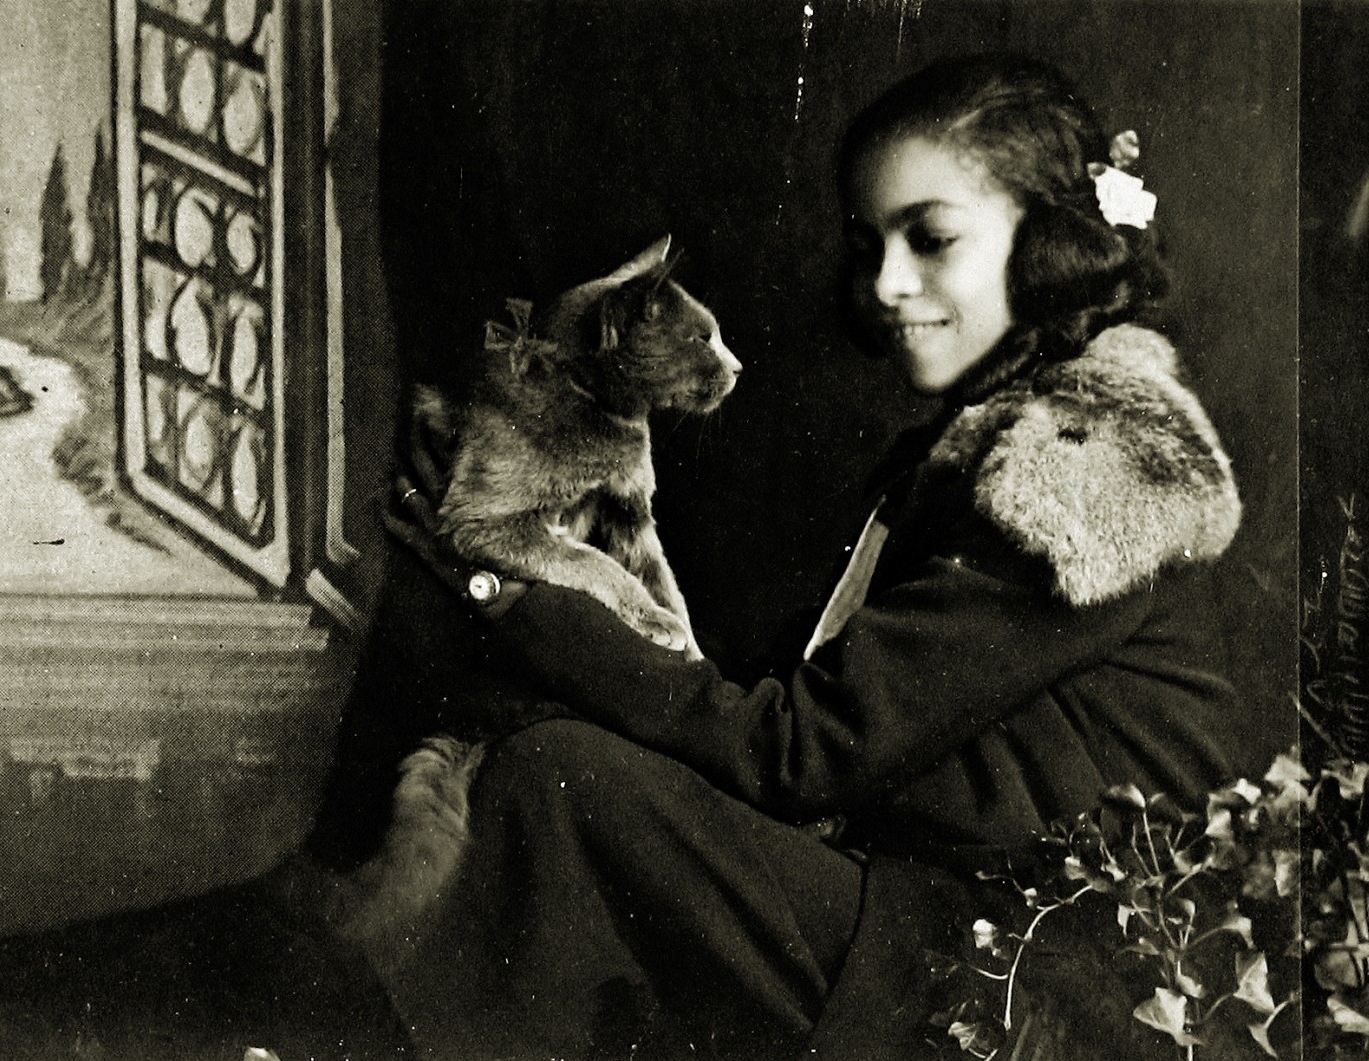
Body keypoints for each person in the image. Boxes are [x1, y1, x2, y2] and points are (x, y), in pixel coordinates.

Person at [314, 52, 1247, 1059]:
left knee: (567, 782)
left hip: (1039, 994)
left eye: (932, 238)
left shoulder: (1085, 468)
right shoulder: (981, 445)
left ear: (1052, 247)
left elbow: (799, 754)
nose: (887, 283)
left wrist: (506, 586)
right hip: (934, 919)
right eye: (870, 244)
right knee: (562, 777)